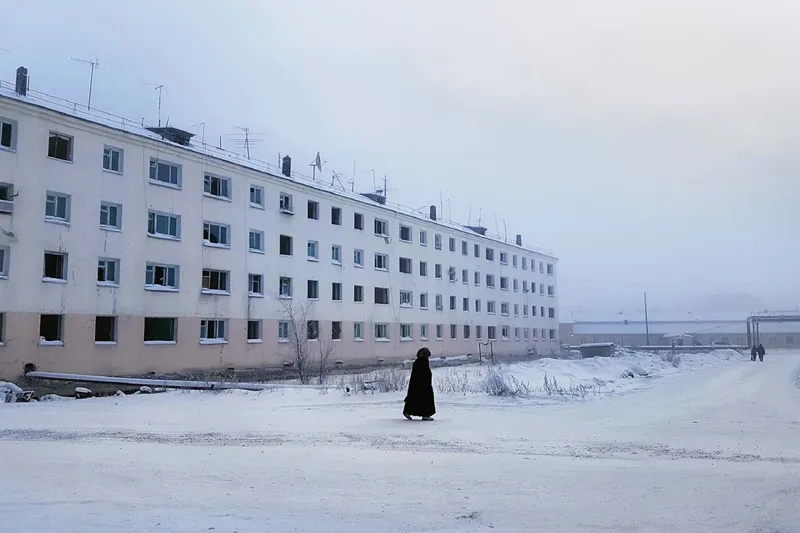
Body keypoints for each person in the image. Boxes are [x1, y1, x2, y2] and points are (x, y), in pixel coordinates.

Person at [403, 347, 436, 421]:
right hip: (423, 385)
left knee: (414, 398)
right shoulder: (422, 362)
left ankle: (408, 411)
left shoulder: (418, 362)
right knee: (425, 399)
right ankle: (425, 414)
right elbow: (424, 374)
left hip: (417, 385)